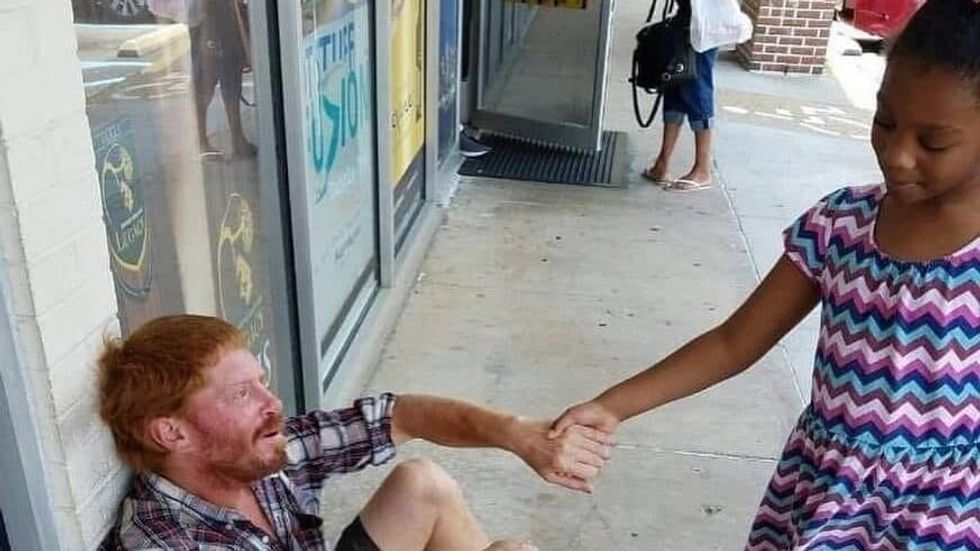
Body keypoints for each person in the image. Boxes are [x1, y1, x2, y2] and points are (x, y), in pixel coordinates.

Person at [554, 1, 980, 547]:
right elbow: (736, 341)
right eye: (885, 120)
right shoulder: (842, 223)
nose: (897, 154)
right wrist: (614, 405)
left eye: (933, 142)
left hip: (943, 515)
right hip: (823, 492)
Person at [98, 315, 613, 550]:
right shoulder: (164, 541)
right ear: (172, 433)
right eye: (241, 395)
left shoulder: (253, 453)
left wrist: (515, 432)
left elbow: (402, 416)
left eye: (263, 382)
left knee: (422, 485)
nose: (272, 404)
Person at [643, 0, 718, 192]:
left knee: (698, 90)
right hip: (685, 21)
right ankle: (662, 163)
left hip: (703, 27)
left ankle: (702, 170)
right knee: (674, 86)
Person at [188, 0, 257, 159]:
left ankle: (235, 138)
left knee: (229, 78)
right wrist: (209, 33)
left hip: (220, 19)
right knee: (210, 82)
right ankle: (203, 141)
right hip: (214, 20)